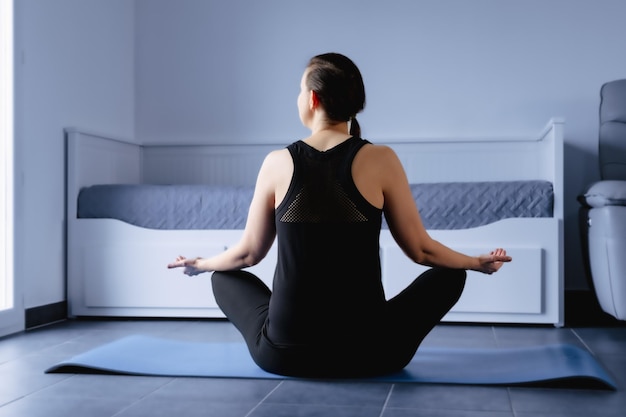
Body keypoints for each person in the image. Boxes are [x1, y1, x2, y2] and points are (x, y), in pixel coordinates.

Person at [168, 52, 511, 378]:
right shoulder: (382, 159)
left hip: (282, 355)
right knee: (450, 275)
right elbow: (421, 251)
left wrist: (200, 264)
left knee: (222, 276)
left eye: (300, 90)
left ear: (313, 98)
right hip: (372, 355)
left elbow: (247, 254)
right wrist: (473, 262)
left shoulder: (276, 162)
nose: (298, 97)